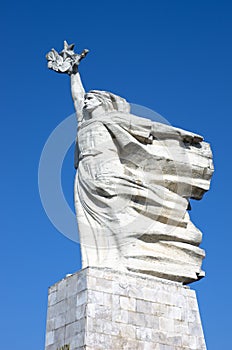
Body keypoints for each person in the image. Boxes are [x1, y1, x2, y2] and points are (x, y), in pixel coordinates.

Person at [46, 42, 214, 283]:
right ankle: (97, 263)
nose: (86, 102)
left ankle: (130, 260)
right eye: (86, 100)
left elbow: (152, 127)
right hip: (85, 175)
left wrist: (180, 135)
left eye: (91, 99)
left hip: (110, 171)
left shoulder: (116, 119)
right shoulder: (84, 124)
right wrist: (74, 73)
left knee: (120, 217)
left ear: (104, 103)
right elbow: (77, 98)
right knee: (91, 224)